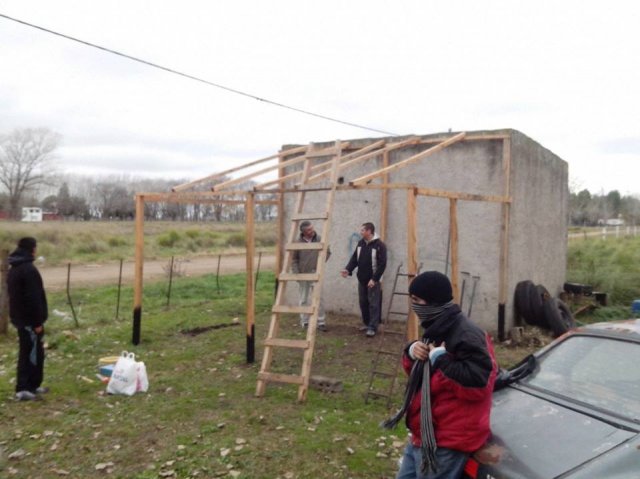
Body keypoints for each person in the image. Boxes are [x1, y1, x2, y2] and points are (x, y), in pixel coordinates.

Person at [384, 271, 497, 479]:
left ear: (433, 301)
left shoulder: (467, 335)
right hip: (425, 433)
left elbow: (478, 386)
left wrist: (441, 359)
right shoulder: (437, 327)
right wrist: (412, 352)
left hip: (448, 440)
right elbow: (424, 376)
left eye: (417, 300)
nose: (414, 306)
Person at [7, 237, 49, 401]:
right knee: (30, 353)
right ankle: (24, 388)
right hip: (29, 321)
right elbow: (33, 298)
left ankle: (33, 385)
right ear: (32, 249)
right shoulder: (28, 270)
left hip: (21, 318)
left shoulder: (14, 268)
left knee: (35, 352)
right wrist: (37, 322)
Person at [340, 222, 387, 337]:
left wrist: (374, 279)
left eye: (362, 230)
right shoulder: (361, 243)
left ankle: (373, 327)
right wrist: (348, 269)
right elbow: (354, 259)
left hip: (373, 281)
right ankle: (366, 323)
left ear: (369, 231)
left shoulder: (380, 245)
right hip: (362, 279)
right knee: (363, 302)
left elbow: (382, 264)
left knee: (373, 304)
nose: (360, 232)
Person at [291, 221, 331, 330]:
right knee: (303, 299)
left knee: (319, 298)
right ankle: (305, 321)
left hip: (316, 273)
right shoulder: (297, 243)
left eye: (312, 228)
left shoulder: (319, 239)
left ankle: (321, 322)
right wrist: (297, 274)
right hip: (303, 274)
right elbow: (294, 259)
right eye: (309, 229)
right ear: (303, 232)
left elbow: (328, 252)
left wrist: (320, 264)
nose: (312, 230)